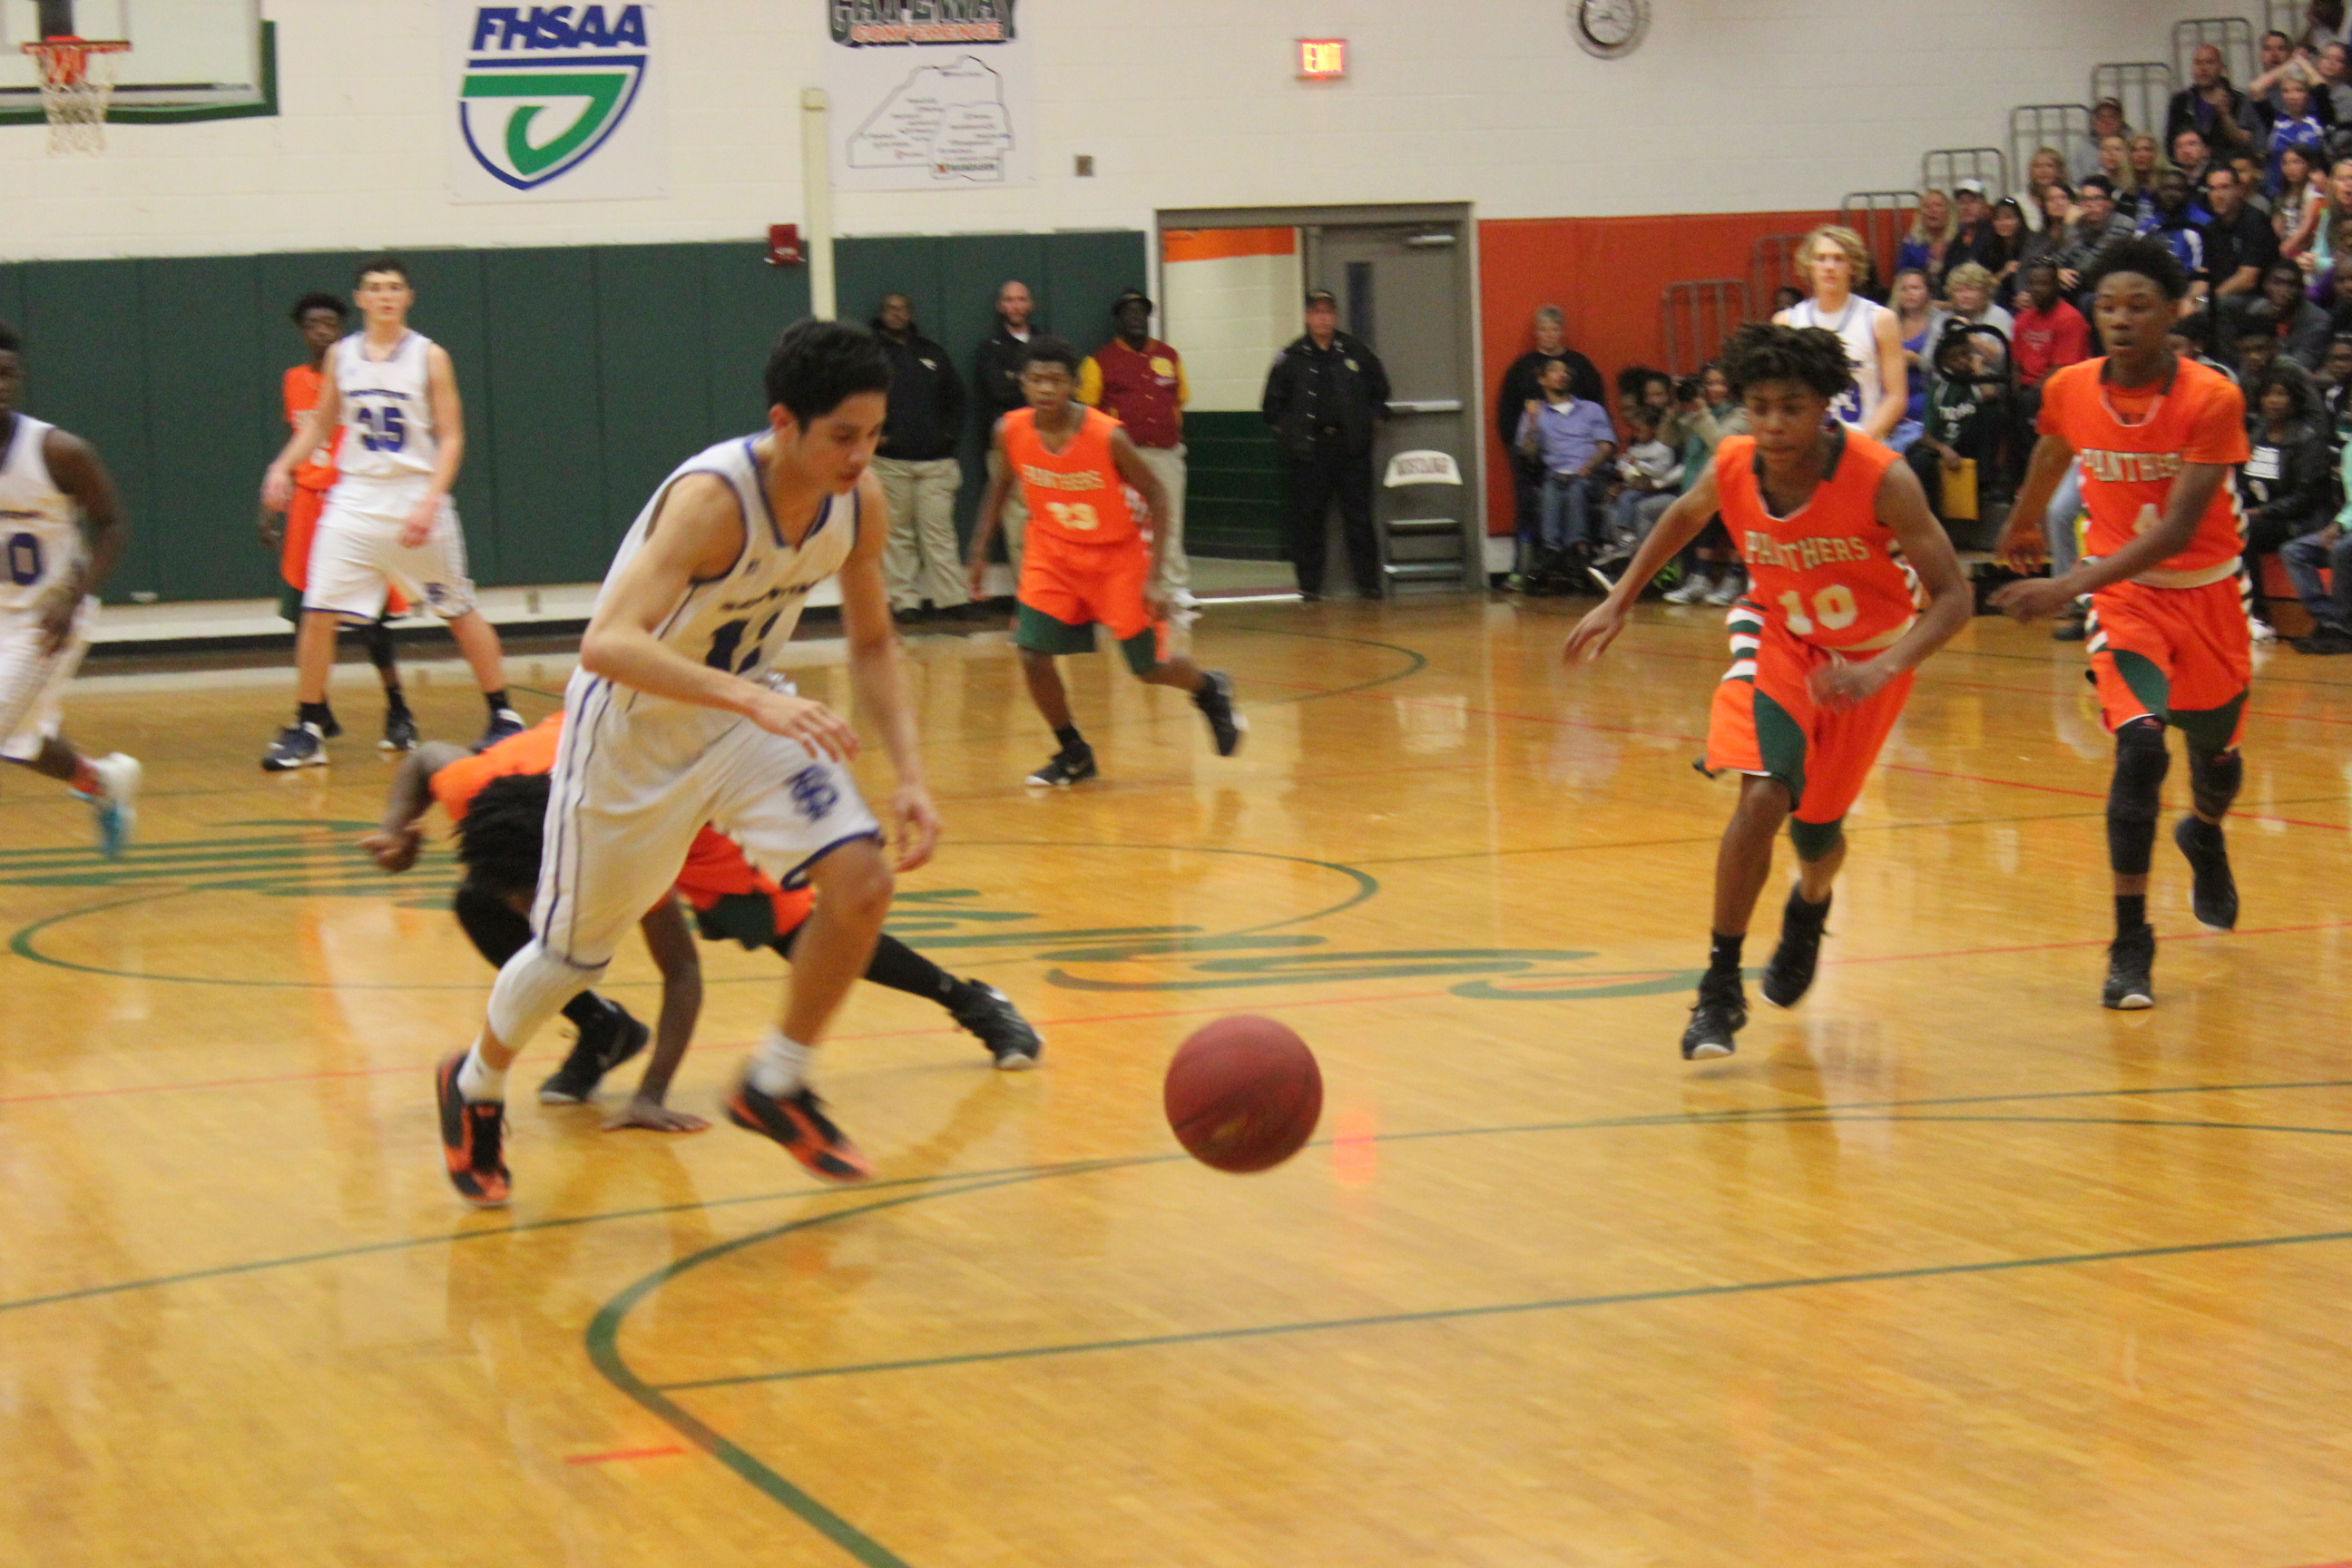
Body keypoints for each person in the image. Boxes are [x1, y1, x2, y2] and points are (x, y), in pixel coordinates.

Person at [433, 318, 943, 1207]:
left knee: (863, 881)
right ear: (784, 422)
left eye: (874, 434)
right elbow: (607, 644)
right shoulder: (714, 501)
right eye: (843, 436)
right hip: (630, 737)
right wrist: (751, 698)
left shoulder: (858, 502)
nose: (863, 456)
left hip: (743, 717)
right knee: (571, 958)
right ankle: (474, 1082)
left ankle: (775, 1081)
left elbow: (871, 642)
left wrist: (910, 774)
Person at [1563, 322, 1971, 1060]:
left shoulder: (1883, 478)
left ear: (1826, 406)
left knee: (1817, 835)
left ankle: (1810, 902)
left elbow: (1953, 599)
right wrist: (1621, 597)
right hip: (1777, 637)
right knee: (1762, 794)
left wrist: (1881, 670)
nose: (1774, 424)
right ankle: (1720, 984)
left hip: (1868, 661)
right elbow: (1685, 514)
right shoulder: (1734, 462)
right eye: (1759, 407)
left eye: (1792, 408)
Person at [363, 716, 1041, 1121]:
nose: (538, 918)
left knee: (797, 933)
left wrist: (651, 1096)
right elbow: (426, 757)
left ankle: (975, 1002)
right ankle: (602, 1030)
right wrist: (396, 828)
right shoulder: (474, 790)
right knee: (475, 902)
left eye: (544, 898)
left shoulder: (626, 852)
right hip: (591, 777)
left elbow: (681, 972)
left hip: (681, 805)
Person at [1993, 238, 2255, 1011]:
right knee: (2140, 748)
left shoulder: (2212, 398)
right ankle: (2131, 940)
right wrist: (2023, 520)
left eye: (2139, 306)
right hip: (2125, 597)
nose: (2121, 319)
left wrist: (2064, 586)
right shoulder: (2071, 386)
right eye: (2108, 306)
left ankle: (2203, 831)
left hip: (2207, 593)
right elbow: (2051, 449)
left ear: (2174, 312)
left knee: (2215, 760)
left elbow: (2175, 533)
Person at [259, 257, 520, 771]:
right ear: (361, 298)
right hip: (354, 498)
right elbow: (320, 426)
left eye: (394, 287)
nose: (384, 295)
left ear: (408, 297)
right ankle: (308, 727)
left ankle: (503, 715)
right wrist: (281, 467)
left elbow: (452, 438)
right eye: (375, 288)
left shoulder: (430, 356)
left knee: (457, 609)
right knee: (317, 610)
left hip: (413, 497)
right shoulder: (343, 355)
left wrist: (431, 498)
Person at [968, 336, 1244, 788]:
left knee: (1147, 667)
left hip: (1117, 556)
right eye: (1036, 379)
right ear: (1023, 383)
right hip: (1053, 553)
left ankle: (1210, 689)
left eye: (1056, 380)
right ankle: (1073, 753)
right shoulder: (1010, 430)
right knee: (1032, 654)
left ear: (1074, 386)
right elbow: (998, 488)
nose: (1046, 388)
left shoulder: (1105, 435)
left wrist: (1156, 578)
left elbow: (1158, 495)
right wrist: (978, 552)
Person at [0, 320, 141, 855]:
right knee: (22, 742)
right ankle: (103, 782)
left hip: (47, 617)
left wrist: (72, 595)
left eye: (6, 373)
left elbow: (113, 525)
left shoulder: (59, 451)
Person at [258, 293, 414, 753]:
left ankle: (398, 708)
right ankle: (316, 713)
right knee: (305, 616)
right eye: (313, 325)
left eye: (330, 324)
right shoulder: (293, 380)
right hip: (308, 505)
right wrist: (274, 498)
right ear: (302, 332)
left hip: (353, 501)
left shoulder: (361, 377)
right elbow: (296, 438)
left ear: (343, 330)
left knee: (371, 620)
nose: (322, 332)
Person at [1259, 288, 1391, 600]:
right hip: (1309, 452)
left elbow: (1381, 393)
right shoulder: (1291, 357)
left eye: (1328, 312)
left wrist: (1369, 422)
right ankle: (1309, 587)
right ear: (1308, 316)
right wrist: (1291, 432)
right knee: (1308, 521)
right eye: (1317, 312)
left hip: (1350, 449)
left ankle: (1368, 584)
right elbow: (1271, 406)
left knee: (1359, 519)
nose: (1323, 318)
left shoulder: (1356, 352)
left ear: (1336, 316)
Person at [1078, 288, 1191, 607]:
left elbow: (1181, 397)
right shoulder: (1100, 360)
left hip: (1165, 454)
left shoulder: (1169, 356)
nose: (1136, 318)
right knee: (1123, 522)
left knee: (1171, 519)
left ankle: (1173, 586)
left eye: (1141, 312)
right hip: (1124, 457)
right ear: (1118, 319)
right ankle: (1125, 585)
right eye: (1129, 313)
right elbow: (1086, 409)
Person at [868, 293, 968, 623]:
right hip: (889, 462)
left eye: (902, 309)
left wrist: (948, 437)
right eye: (890, 308)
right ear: (882, 314)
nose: (896, 314)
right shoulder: (870, 355)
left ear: (911, 314)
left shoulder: (933, 353)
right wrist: (874, 436)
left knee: (939, 532)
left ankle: (951, 600)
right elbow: (855, 399)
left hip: (936, 462)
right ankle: (905, 601)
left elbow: (957, 400)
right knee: (897, 534)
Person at [1774, 225, 1908, 440]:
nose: (1829, 266)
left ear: (1853, 266)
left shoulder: (1880, 320)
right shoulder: (1787, 322)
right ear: (1809, 265)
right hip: (1808, 447)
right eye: (1821, 258)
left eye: (1838, 259)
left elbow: (1896, 397)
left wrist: (1862, 442)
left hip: (1864, 441)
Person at [1496, 305, 1607, 552]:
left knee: (1575, 492)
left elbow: (1598, 408)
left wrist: (1590, 453)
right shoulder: (1522, 368)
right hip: (1534, 449)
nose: (1548, 335)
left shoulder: (1580, 366)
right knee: (1528, 503)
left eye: (1554, 329)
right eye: (1543, 330)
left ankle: (1577, 552)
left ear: (1562, 332)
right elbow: (1507, 411)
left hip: (1578, 450)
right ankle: (1528, 560)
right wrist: (1520, 447)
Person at [2236, 363, 2333, 641]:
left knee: (2245, 531)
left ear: (2295, 400)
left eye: (2282, 394)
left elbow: (2306, 498)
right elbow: (2244, 482)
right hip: (2263, 515)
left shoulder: (2308, 439)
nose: (2274, 401)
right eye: (2269, 394)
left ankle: (2257, 611)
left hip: (2299, 521)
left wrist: (2259, 513)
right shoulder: (2257, 435)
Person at [1512, 358, 1617, 587]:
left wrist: (1588, 468)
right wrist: (1532, 423)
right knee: (1551, 487)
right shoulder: (1535, 413)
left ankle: (1580, 549)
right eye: (1554, 370)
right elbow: (1529, 454)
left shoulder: (1591, 409)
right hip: (1556, 474)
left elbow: (1606, 446)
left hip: (1590, 474)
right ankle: (1552, 549)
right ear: (1542, 379)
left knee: (1575, 488)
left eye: (1565, 371)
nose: (1562, 374)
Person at [973, 280, 1042, 576]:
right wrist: (1034, 384)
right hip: (1009, 447)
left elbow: (1064, 392)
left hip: (1048, 445)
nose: (1016, 306)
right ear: (1001, 306)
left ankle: (1052, 593)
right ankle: (1026, 594)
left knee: (1049, 521)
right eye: (1009, 300)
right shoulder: (990, 348)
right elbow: (998, 390)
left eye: (1021, 299)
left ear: (1030, 304)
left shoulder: (1045, 343)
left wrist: (1015, 377)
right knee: (1016, 526)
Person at [2204, 163, 2286, 317]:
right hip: (2225, 293)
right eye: (2212, 189)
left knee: (2217, 306)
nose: (2218, 195)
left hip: (2260, 297)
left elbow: (2248, 279)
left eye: (2224, 187)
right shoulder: (2211, 228)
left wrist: (2209, 300)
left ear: (2238, 189)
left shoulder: (2255, 222)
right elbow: (2204, 272)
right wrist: (2191, 299)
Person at [2012, 262, 2092, 405]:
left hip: (2058, 390)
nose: (2037, 289)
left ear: (2056, 285)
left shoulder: (2070, 319)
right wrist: (2012, 391)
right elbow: (2015, 363)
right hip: (2025, 387)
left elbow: (2063, 369)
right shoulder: (2023, 318)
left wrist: (2031, 395)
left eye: (2043, 284)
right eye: (2032, 284)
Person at [2168, 43, 2261, 158]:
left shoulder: (2239, 100)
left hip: (2229, 164)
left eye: (2209, 62)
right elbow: (2171, 144)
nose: (2203, 69)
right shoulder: (2181, 101)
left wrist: (2225, 115)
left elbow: (2245, 145)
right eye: (2198, 63)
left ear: (2221, 68)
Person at [2257, 259, 2334, 366]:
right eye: (2277, 282)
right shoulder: (2257, 310)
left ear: (2302, 289)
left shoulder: (2318, 321)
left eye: (2291, 284)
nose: (2283, 290)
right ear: (2265, 285)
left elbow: (2302, 363)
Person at [2267, 76, 2329, 192]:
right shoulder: (2275, 121)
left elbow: (2321, 86)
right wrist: (2287, 66)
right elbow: (2256, 89)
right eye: (2286, 91)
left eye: (2299, 90)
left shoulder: (2319, 119)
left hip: (2314, 189)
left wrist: (2301, 64)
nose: (2292, 96)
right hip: (2278, 191)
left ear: (2308, 94)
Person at [1896, 190, 1956, 281]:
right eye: (1927, 207)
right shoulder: (1911, 244)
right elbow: (1902, 277)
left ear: (1949, 211)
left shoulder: (1959, 239)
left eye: (1938, 206)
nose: (1933, 211)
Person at [2071, 99, 2131, 183]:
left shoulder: (2132, 144)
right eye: (2101, 117)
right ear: (2094, 123)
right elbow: (2077, 181)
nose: (2106, 121)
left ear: (2121, 121)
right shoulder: (2083, 149)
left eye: (2111, 117)